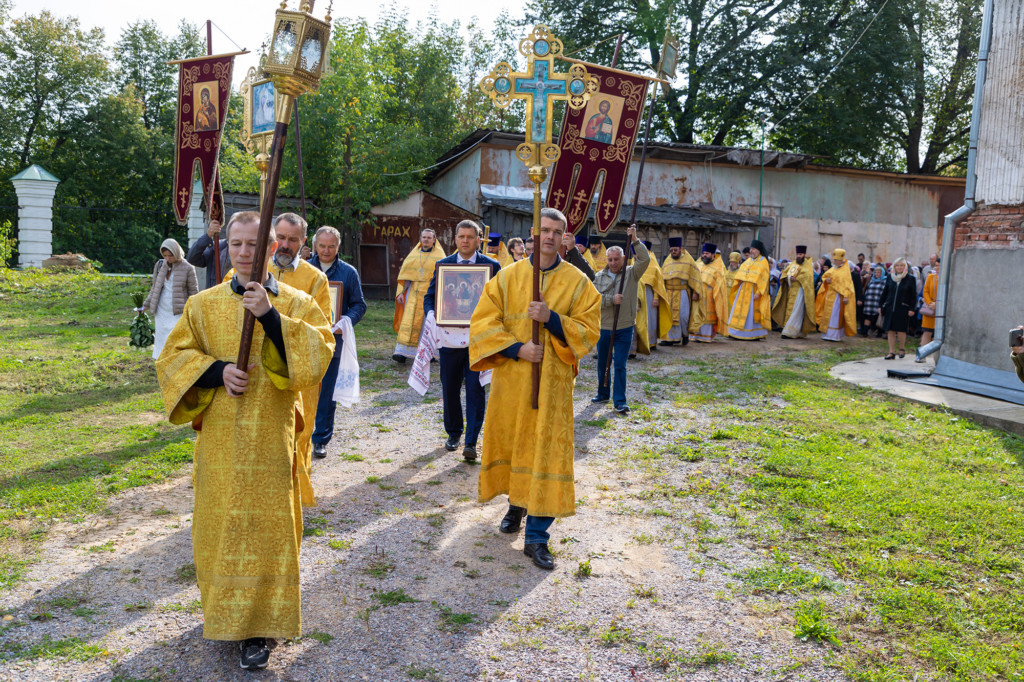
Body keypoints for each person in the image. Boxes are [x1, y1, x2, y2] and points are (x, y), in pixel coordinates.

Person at [155, 211, 333, 670]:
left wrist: (270, 318)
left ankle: (260, 627)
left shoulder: (296, 303)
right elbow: (173, 357)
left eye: (253, 244)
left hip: (272, 434)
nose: (243, 252)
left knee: (269, 529)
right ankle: (223, 613)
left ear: (271, 248)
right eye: (236, 244)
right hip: (220, 438)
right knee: (220, 524)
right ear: (227, 246)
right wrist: (216, 372)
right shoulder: (205, 304)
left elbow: (319, 353)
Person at [470, 207, 601, 571]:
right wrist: (518, 348)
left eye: (557, 231)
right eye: (545, 230)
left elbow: (589, 329)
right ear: (533, 232)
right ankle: (517, 504)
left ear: (564, 237)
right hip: (513, 381)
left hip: (552, 386)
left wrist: (552, 319)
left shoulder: (578, 282)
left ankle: (537, 536)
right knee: (516, 442)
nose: (550, 237)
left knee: (547, 451)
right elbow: (483, 322)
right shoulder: (507, 277)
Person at [221, 212, 334, 507]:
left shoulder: (315, 279)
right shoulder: (241, 272)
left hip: (295, 374)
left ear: (303, 242)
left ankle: (292, 499)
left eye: (292, 240)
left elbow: (320, 334)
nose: (285, 244)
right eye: (281, 237)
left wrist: (273, 318)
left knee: (296, 436)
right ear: (272, 240)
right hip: (248, 372)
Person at [424, 220, 501, 460]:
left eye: (470, 237)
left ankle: (471, 441)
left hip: (478, 341)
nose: (465, 241)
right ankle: (454, 432)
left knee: (476, 389)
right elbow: (430, 297)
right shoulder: (443, 265)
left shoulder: (491, 266)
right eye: (461, 236)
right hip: (449, 340)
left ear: (479, 239)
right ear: (455, 239)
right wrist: (432, 314)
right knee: (450, 388)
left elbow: (500, 299)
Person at [307, 225, 367, 458]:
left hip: (334, 342)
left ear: (338, 246)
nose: (326, 250)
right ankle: (298, 435)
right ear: (315, 245)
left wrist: (346, 321)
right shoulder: (304, 269)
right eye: (322, 245)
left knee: (326, 392)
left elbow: (359, 305)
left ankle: (320, 439)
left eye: (331, 246)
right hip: (305, 340)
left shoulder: (348, 273)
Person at [593, 226, 648, 414]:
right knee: (603, 362)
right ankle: (602, 394)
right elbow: (594, 300)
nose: (613, 263)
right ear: (606, 260)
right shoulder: (599, 277)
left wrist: (635, 240)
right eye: (610, 259)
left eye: (617, 259)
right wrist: (611, 300)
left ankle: (620, 401)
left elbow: (645, 259)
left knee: (620, 365)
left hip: (624, 327)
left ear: (623, 259)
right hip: (605, 327)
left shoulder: (632, 273)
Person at [394, 229, 445, 363]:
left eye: (429, 237)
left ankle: (429, 353)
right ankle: (402, 352)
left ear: (434, 240)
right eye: (424, 237)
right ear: (421, 239)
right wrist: (401, 292)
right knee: (408, 321)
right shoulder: (414, 255)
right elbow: (406, 276)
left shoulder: (440, 256)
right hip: (413, 293)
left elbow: (444, 277)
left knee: (428, 323)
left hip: (430, 293)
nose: (426, 240)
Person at [142, 238, 198, 360]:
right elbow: (155, 287)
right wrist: (145, 305)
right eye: (165, 256)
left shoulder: (188, 268)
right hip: (162, 309)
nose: (167, 258)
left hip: (178, 310)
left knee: (175, 336)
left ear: (176, 253)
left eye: (170, 255)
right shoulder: (160, 265)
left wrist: (193, 311)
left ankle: (174, 360)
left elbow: (193, 292)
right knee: (162, 336)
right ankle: (161, 360)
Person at [660, 237, 703, 345]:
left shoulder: (688, 260)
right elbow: (662, 278)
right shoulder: (667, 261)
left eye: (675, 250)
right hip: (669, 292)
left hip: (682, 292)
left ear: (681, 248)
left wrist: (696, 292)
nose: (673, 252)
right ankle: (670, 339)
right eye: (671, 250)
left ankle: (685, 335)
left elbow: (696, 277)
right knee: (669, 316)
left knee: (683, 316)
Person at [631, 239, 670, 354]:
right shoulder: (633, 261)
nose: (635, 256)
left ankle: (651, 342)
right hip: (635, 293)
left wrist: (656, 298)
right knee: (637, 319)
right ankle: (638, 343)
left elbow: (657, 284)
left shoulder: (652, 263)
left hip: (648, 294)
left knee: (650, 318)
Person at [727, 240, 771, 340]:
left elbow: (764, 280)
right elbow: (740, 273)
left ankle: (752, 334)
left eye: (753, 249)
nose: (751, 251)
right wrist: (738, 283)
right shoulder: (748, 261)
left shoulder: (763, 261)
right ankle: (735, 331)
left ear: (759, 250)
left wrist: (758, 293)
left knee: (751, 313)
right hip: (743, 290)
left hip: (753, 291)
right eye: (751, 249)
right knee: (738, 311)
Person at [771, 245, 815, 339]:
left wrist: (797, 278)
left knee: (796, 311)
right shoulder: (793, 263)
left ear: (804, 255)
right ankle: (789, 329)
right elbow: (784, 274)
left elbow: (808, 277)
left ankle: (790, 332)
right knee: (789, 309)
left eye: (800, 254)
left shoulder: (808, 264)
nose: (798, 256)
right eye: (798, 254)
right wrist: (787, 278)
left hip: (800, 291)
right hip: (790, 291)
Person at [816, 248, 858, 342]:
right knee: (827, 314)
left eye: (836, 260)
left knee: (835, 315)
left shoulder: (845, 271)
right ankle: (826, 334)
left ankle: (834, 335)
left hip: (838, 297)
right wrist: (826, 280)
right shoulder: (833, 268)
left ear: (841, 260)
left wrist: (846, 296)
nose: (834, 261)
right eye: (834, 259)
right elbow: (825, 276)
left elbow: (847, 285)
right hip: (829, 295)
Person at [880, 257, 917, 359]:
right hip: (890, 307)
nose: (899, 267)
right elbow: (885, 292)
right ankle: (891, 352)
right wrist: (880, 304)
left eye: (901, 265)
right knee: (890, 330)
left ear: (905, 267)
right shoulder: (890, 277)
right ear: (894, 267)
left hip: (903, 307)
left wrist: (912, 308)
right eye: (897, 265)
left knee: (901, 330)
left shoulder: (910, 279)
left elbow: (913, 296)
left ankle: (901, 348)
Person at [693, 243, 728, 343]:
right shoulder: (698, 264)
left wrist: (715, 298)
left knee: (707, 317)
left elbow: (720, 286)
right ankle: (694, 335)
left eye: (707, 253)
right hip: (696, 294)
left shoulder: (718, 268)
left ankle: (705, 336)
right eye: (703, 253)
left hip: (709, 297)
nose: (704, 255)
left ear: (713, 255)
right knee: (696, 314)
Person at [186, 219, 231, 290]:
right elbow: (192, 258)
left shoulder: (248, 251)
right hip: (215, 294)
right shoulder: (218, 247)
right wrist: (208, 235)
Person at [861, 263, 887, 338]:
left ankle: (879, 332)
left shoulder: (885, 281)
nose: (876, 274)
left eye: (878, 272)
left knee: (878, 317)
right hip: (869, 302)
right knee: (868, 316)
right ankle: (865, 332)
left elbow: (885, 292)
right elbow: (867, 289)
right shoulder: (871, 280)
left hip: (878, 301)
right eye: (875, 272)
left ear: (882, 273)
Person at [919, 261, 939, 349]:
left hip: (942, 309)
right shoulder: (931, 276)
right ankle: (923, 353)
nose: (937, 268)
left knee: (939, 334)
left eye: (940, 266)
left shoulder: (949, 277)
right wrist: (929, 303)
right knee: (927, 332)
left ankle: (937, 355)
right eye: (936, 265)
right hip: (930, 308)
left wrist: (937, 304)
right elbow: (925, 291)